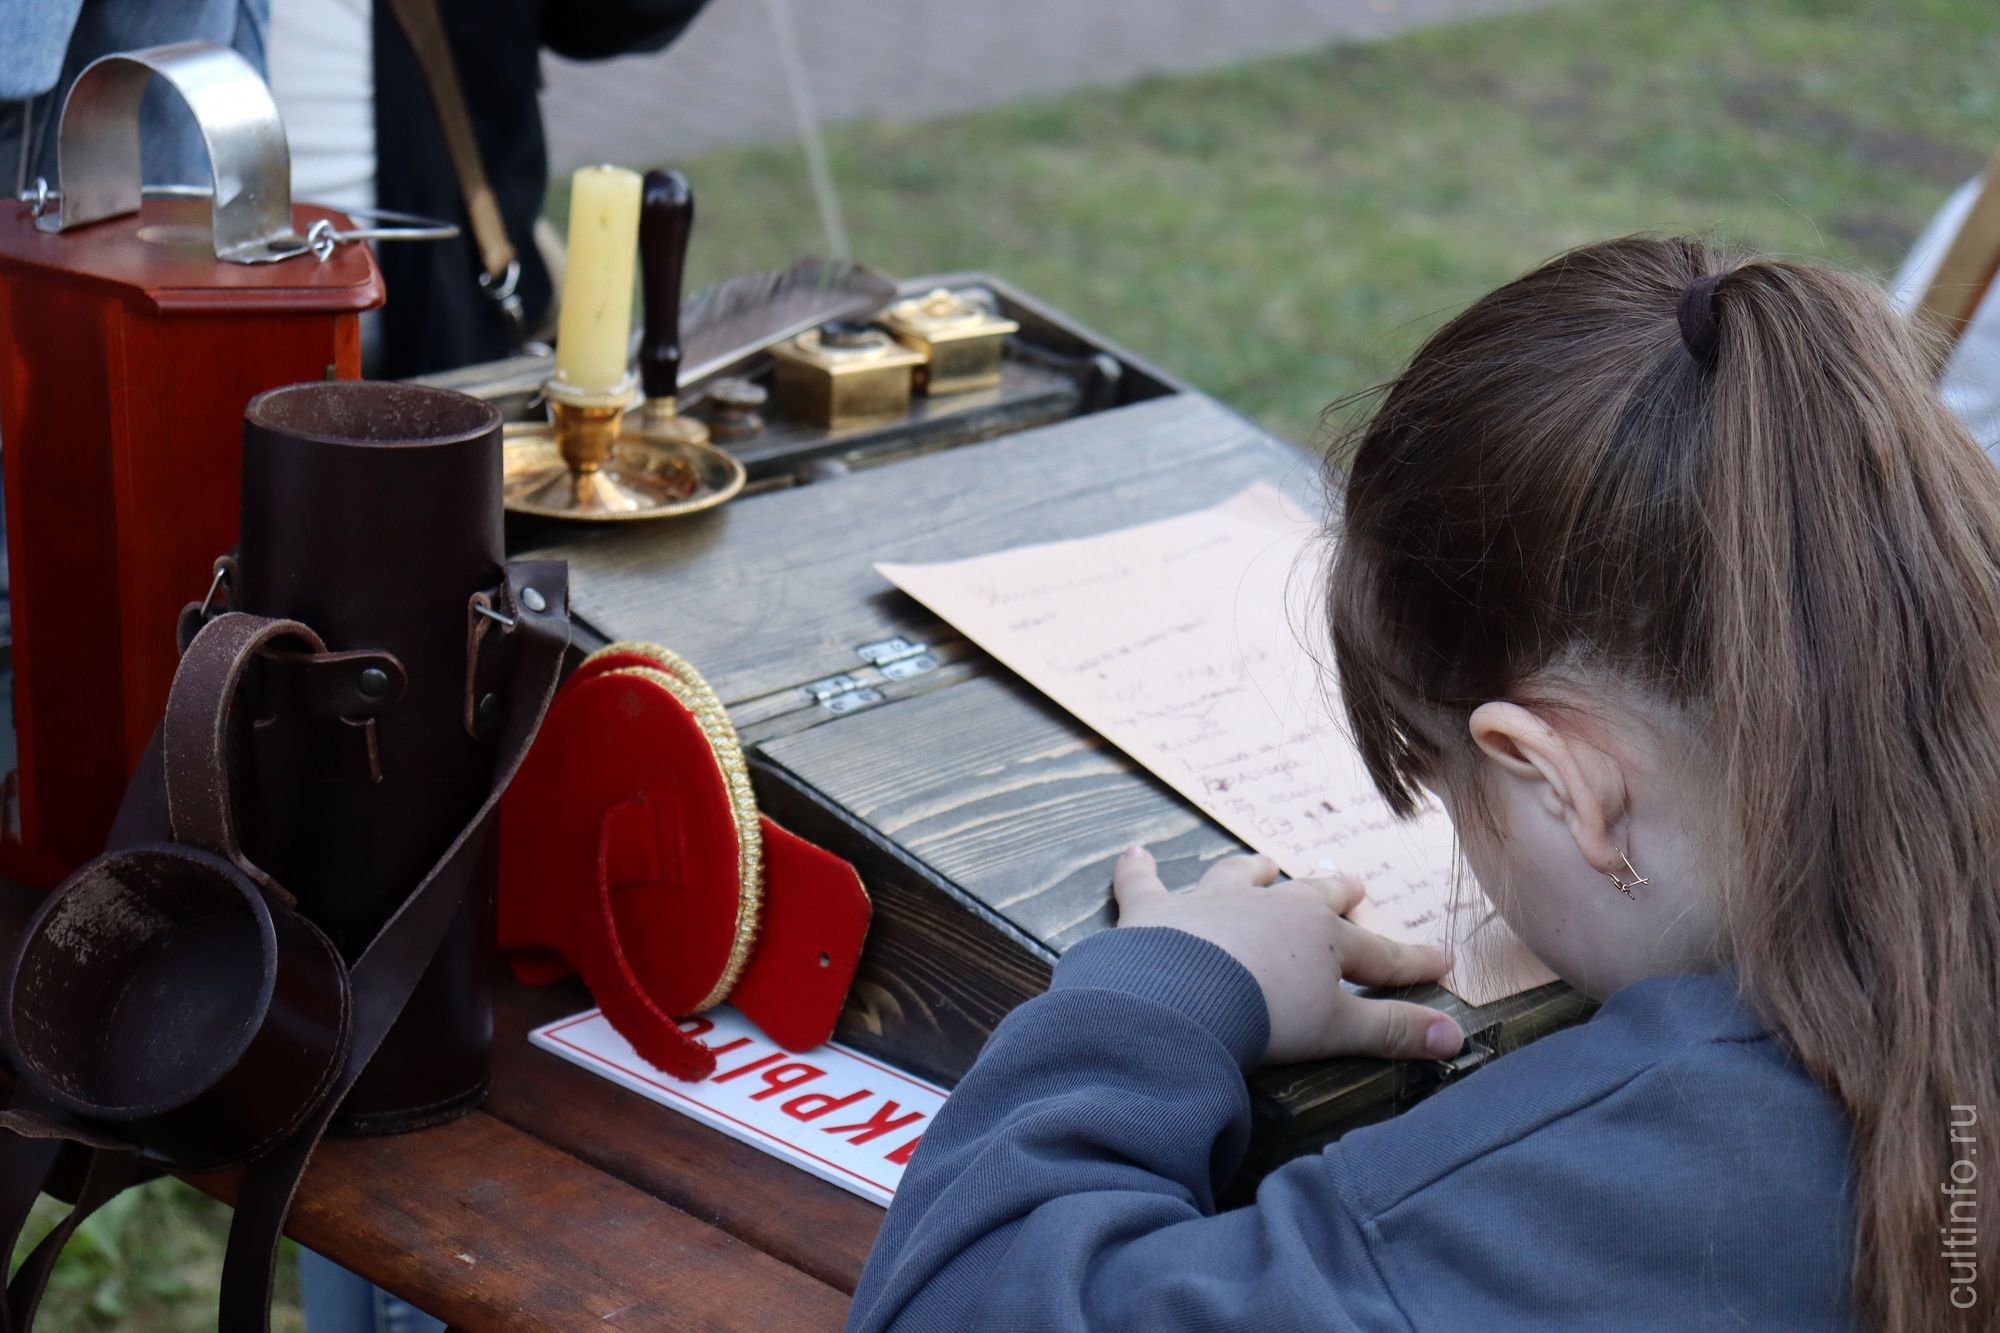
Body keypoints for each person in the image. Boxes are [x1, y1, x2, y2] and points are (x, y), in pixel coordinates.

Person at [847, 236, 1999, 1331]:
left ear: (1557, 783)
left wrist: (1161, 992)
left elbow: (963, 1304)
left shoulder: (1642, 1178)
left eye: (1443, 785)